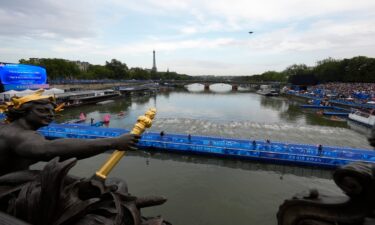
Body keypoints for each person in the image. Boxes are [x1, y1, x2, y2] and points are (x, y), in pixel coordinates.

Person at [0, 90, 140, 176]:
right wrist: (114, 142)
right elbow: (48, 150)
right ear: (23, 112)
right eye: (42, 111)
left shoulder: (7, 129)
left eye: (52, 111)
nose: (50, 115)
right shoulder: (21, 135)